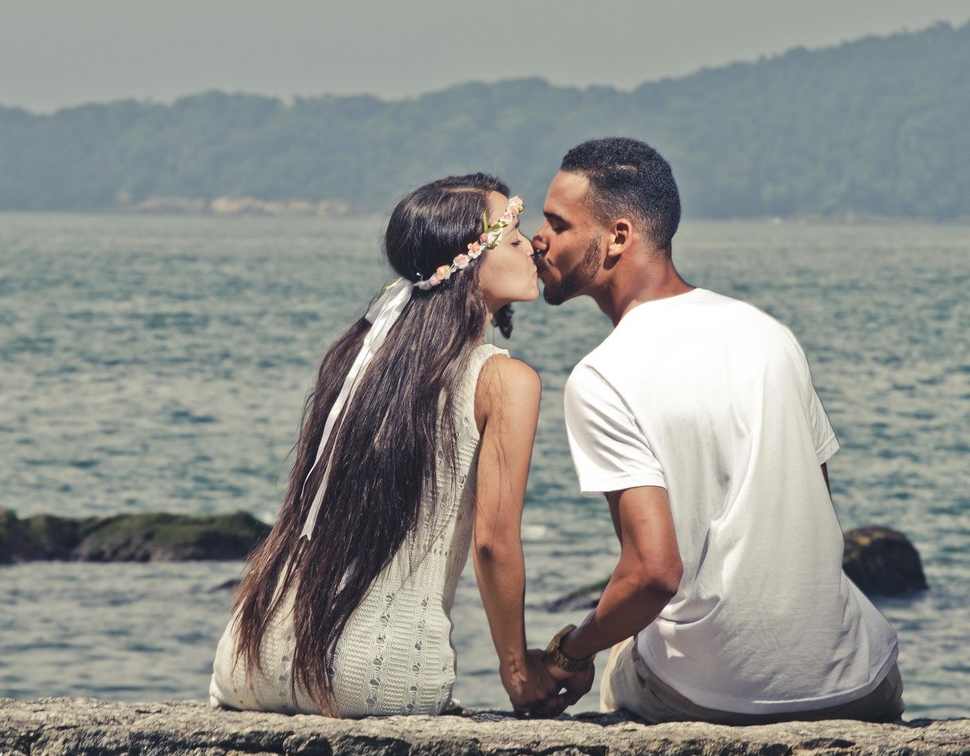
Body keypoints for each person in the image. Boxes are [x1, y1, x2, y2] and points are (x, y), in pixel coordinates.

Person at [529, 137, 904, 724]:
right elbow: (815, 512)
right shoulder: (767, 333)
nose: (538, 238)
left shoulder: (602, 375)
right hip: (856, 680)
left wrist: (566, 652)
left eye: (557, 223)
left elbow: (652, 575)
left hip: (714, 697)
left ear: (619, 237)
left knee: (620, 657)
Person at [210, 174, 566, 718]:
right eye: (511, 233)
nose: (528, 244)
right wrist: (518, 671)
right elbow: (493, 541)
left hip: (247, 661)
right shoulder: (503, 380)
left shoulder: (356, 358)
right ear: (466, 263)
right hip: (375, 679)